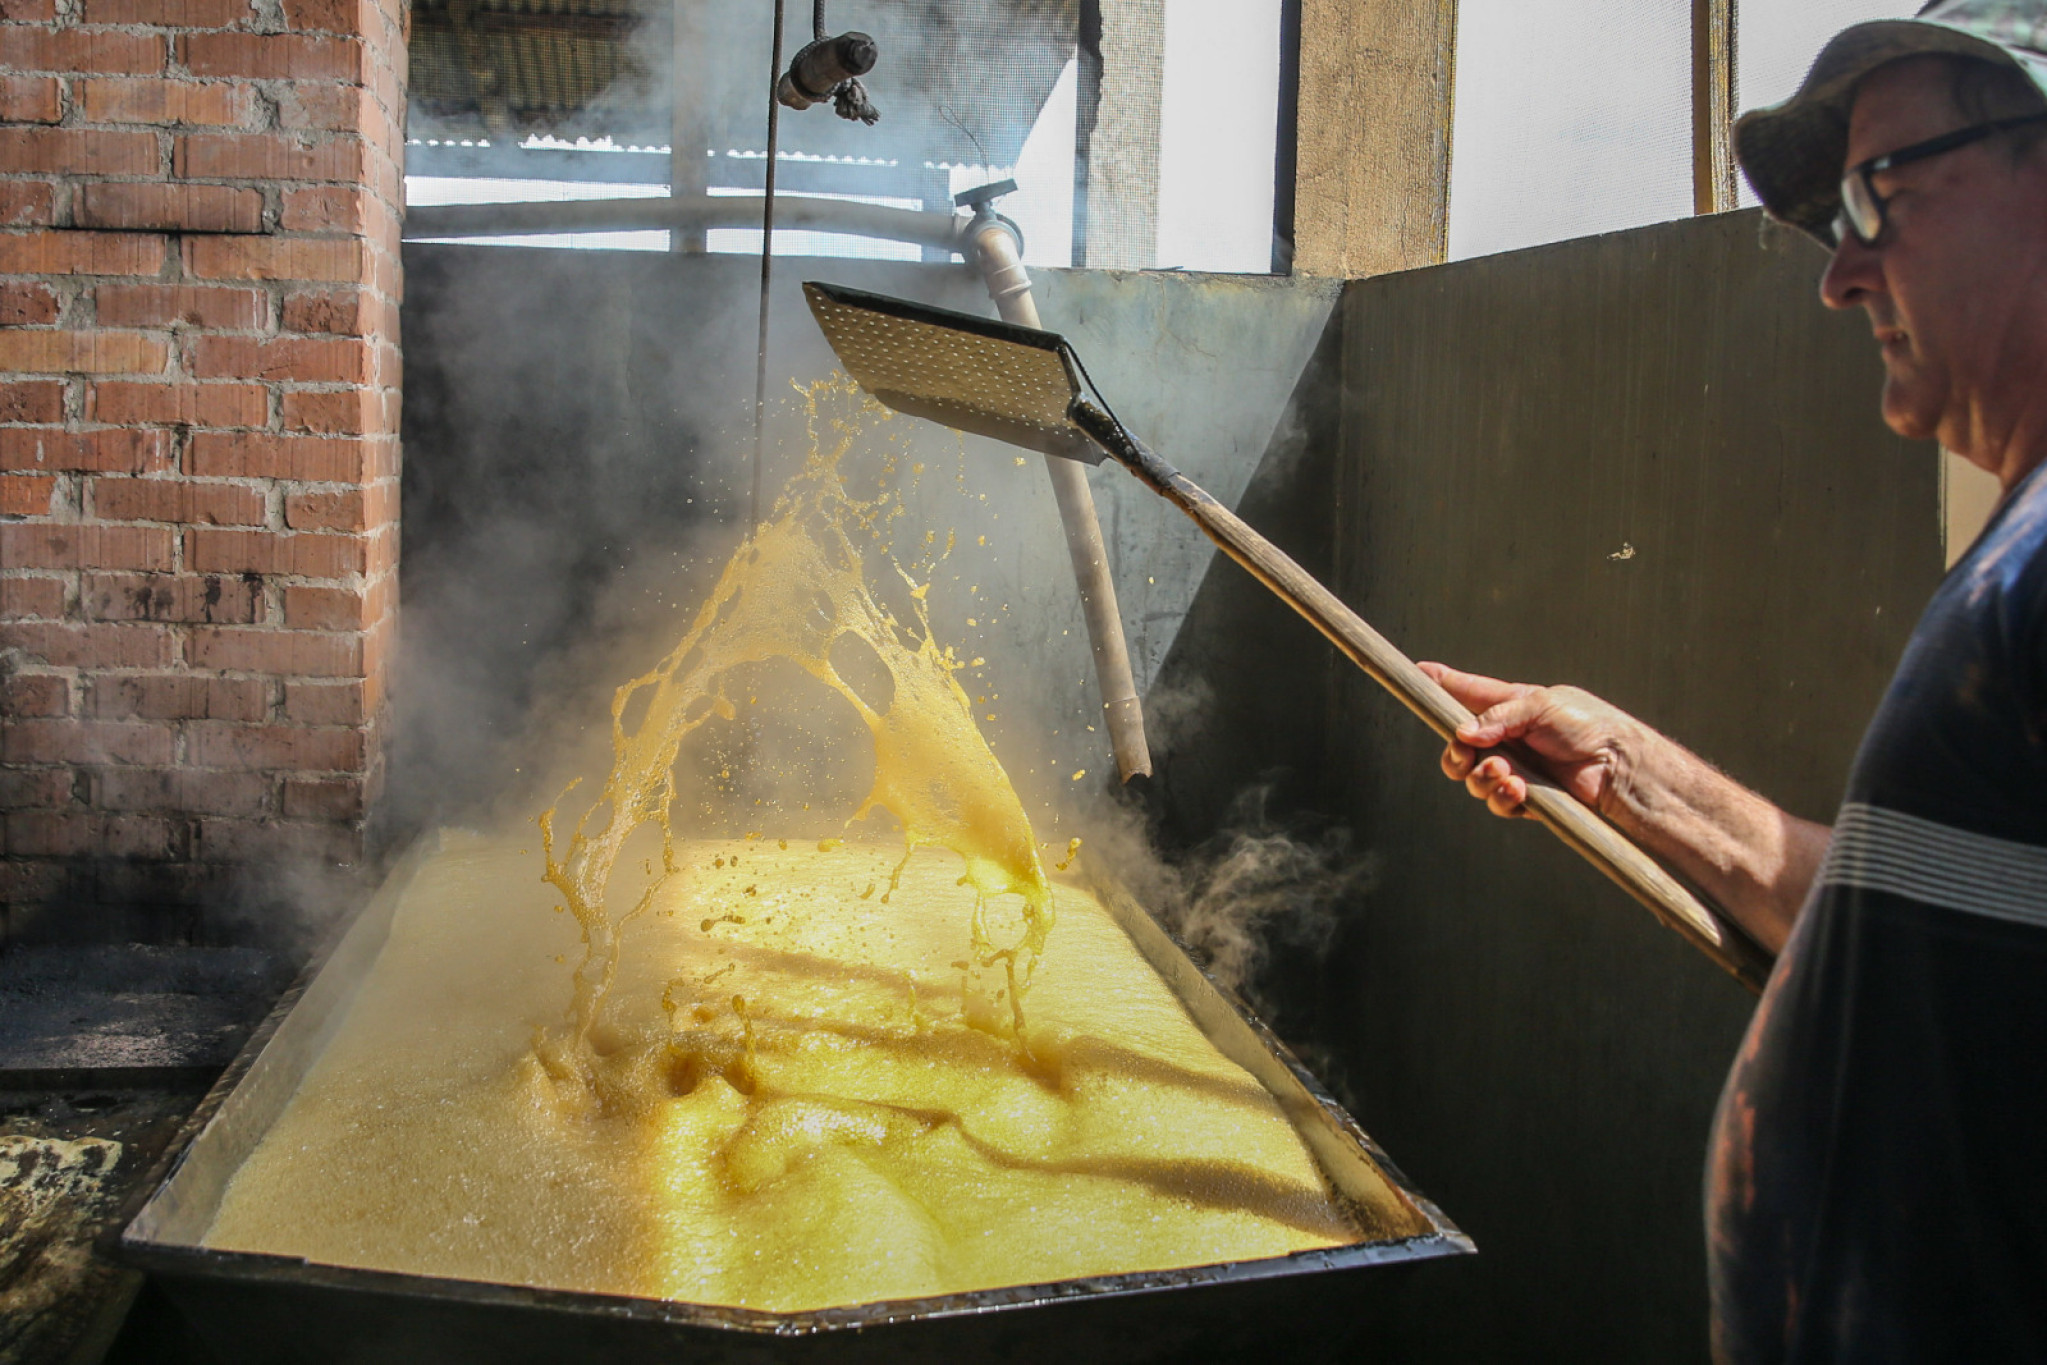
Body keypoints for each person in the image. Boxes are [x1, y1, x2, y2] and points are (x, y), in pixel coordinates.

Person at [1420, 3, 2047, 1359]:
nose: (1839, 274)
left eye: (1878, 193)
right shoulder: (2014, 558)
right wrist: (1632, 778)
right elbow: (1909, 936)